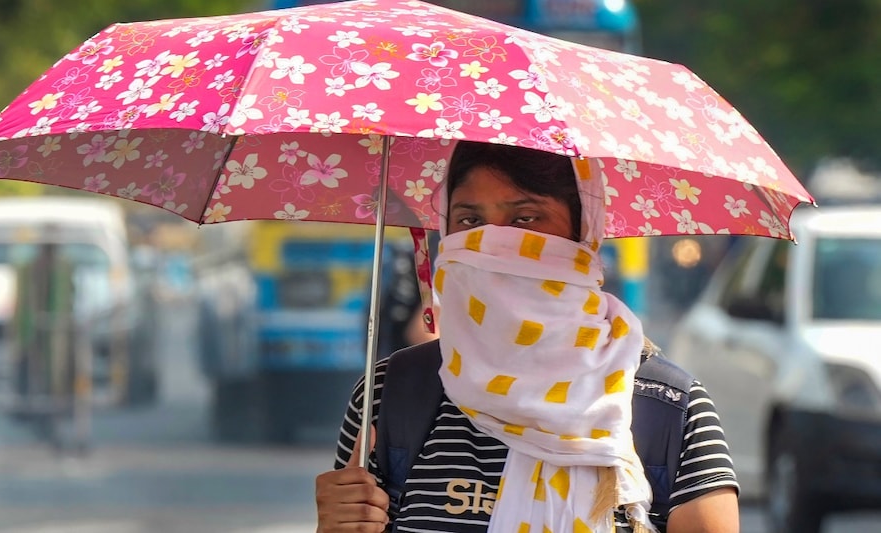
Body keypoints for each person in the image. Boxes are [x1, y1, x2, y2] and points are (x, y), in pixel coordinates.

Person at [315, 141, 739, 533]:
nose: (493, 241)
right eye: (470, 220)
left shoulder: (668, 407)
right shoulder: (389, 394)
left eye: (525, 218)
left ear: (583, 233)